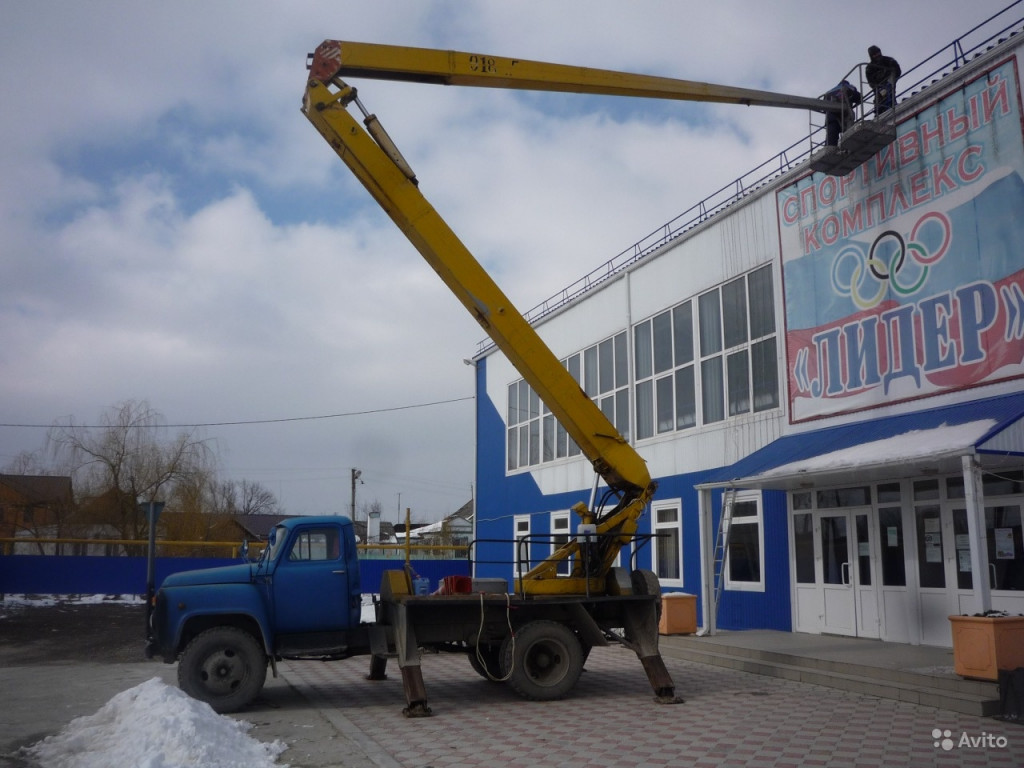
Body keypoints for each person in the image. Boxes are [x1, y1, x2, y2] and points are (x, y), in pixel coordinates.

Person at [823, 79, 861, 147]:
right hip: (845, 116)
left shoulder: (829, 92)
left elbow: (823, 107)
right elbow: (858, 97)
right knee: (848, 136)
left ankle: (829, 148)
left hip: (831, 117)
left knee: (831, 138)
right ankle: (848, 147)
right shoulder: (849, 87)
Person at [866, 45, 901, 113]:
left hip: (889, 84)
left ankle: (892, 108)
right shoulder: (869, 68)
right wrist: (878, 87)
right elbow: (871, 82)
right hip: (878, 89)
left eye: (878, 52)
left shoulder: (888, 60)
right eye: (874, 54)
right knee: (879, 102)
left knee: (890, 97)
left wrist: (890, 80)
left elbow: (897, 71)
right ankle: (879, 113)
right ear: (871, 56)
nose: (877, 55)